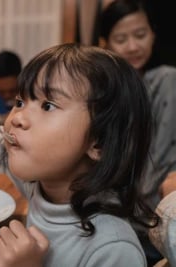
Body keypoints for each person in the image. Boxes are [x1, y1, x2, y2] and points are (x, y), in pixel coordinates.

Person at [0, 43, 159, 267]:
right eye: (20, 101)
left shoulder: (114, 249)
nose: (15, 117)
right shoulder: (41, 185)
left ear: (100, 143)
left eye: (48, 106)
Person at [100, 0, 176, 264]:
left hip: (152, 224)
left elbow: (148, 179)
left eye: (140, 35)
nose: (133, 46)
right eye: (121, 38)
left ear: (153, 34)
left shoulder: (166, 81)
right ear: (105, 42)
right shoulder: (102, 94)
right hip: (110, 222)